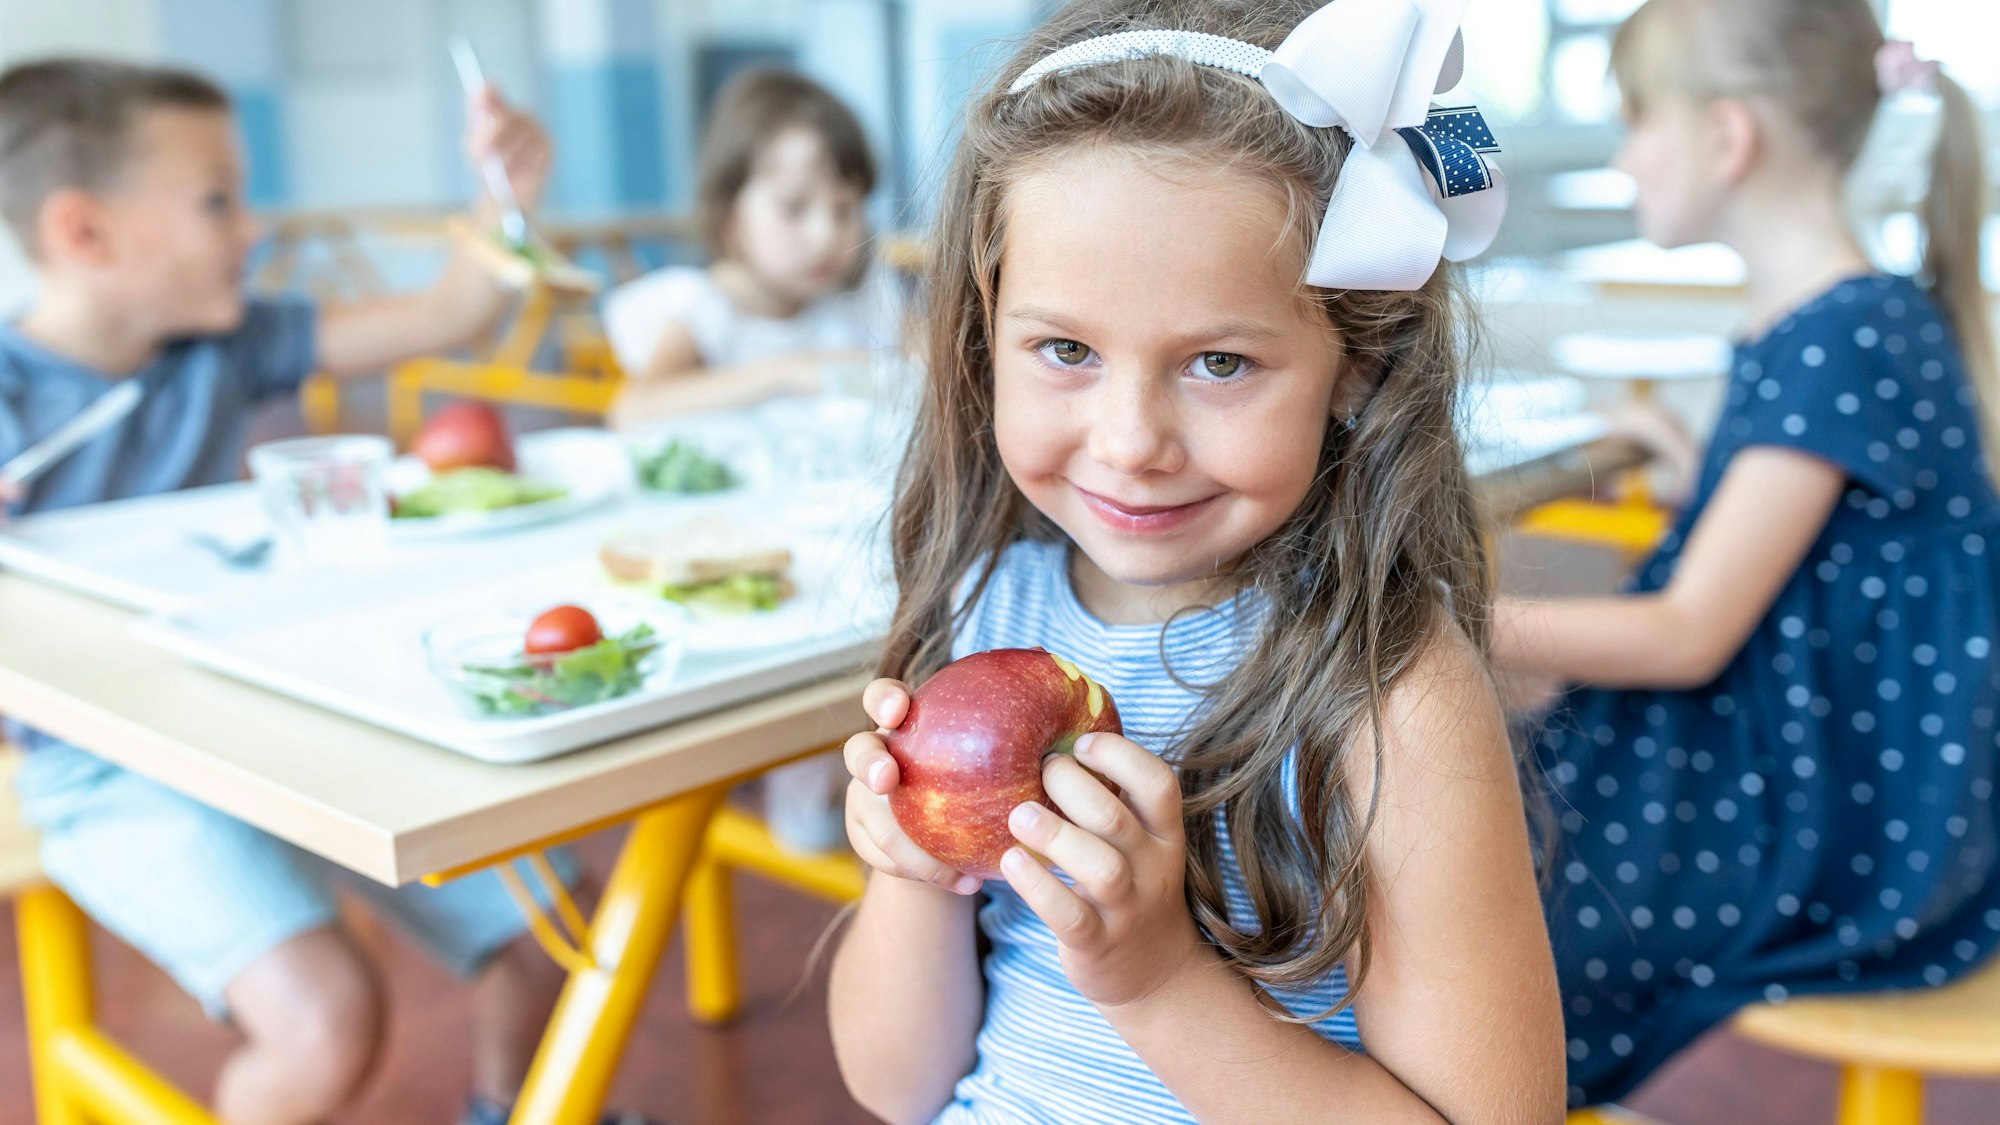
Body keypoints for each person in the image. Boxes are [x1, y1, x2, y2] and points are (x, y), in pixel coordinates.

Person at [826, 2, 1564, 1120]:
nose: (1129, 443)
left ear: (1356, 364)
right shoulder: (984, 612)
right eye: (1064, 349)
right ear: (986, 337)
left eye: (1218, 362)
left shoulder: (1383, 697)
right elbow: (897, 1089)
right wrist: (912, 873)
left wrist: (1159, 981)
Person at [0, 58, 615, 1125]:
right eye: (219, 200)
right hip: (104, 769)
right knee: (327, 1022)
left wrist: (500, 197)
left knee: (555, 917)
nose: (253, 229)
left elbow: (450, 309)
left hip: (265, 712)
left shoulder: (221, 346)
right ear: (84, 234)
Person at [1491, 0, 2000, 1106]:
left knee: (1495, 923)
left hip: (1860, 835)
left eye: (1634, 120)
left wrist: (1450, 622)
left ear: (1725, 139)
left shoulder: (1839, 334)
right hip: (1870, 788)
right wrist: (1697, 481)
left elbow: (1684, 636)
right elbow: (1812, 540)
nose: (1624, 152)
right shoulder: (1840, 318)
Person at [602, 68, 901, 426]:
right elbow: (632, 411)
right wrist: (787, 374)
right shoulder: (704, 308)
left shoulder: (858, 298)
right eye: (793, 207)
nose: (825, 235)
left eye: (845, 210)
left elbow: (932, 365)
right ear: (729, 216)